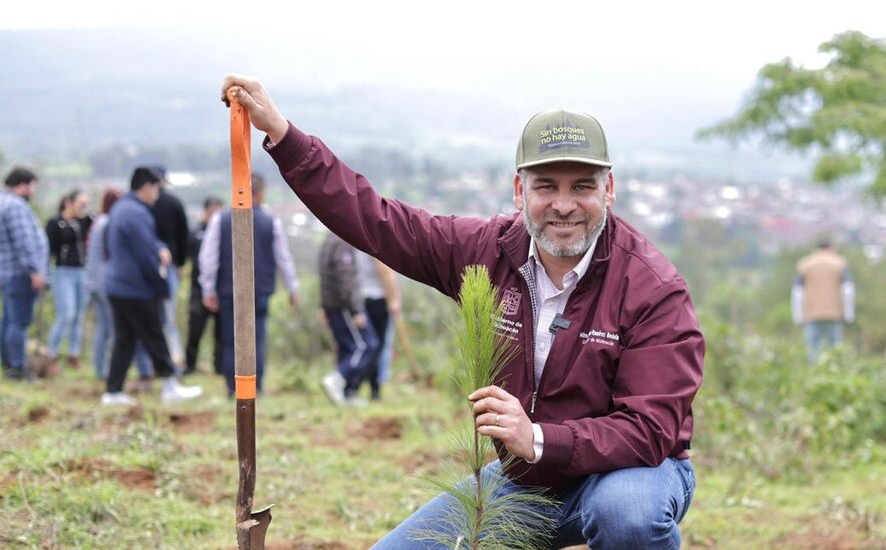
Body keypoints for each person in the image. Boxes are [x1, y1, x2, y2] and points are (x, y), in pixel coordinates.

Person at [222, 75, 702, 549]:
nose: (563, 205)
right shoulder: (487, 252)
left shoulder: (651, 288)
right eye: (545, 186)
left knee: (628, 514)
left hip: (631, 472)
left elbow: (649, 429)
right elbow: (379, 221)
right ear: (520, 191)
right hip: (530, 484)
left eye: (581, 186)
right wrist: (284, 137)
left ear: (608, 189)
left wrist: (537, 438)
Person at [100, 167, 203, 406]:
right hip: (136, 288)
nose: (158, 194)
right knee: (154, 335)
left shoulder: (122, 208)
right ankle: (170, 386)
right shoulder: (136, 213)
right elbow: (146, 256)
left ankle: (113, 391)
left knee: (125, 339)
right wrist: (161, 286)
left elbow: (146, 245)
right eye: (157, 188)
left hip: (118, 285)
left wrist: (159, 248)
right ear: (146, 187)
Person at [199, 173, 299, 397]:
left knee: (230, 340)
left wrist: (208, 289)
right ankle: (256, 387)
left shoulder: (220, 220)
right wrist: (292, 287)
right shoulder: (271, 222)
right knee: (257, 339)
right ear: (261, 193)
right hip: (259, 290)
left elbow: (208, 257)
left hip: (228, 290)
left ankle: (232, 388)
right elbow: (283, 258)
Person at [84, 188, 155, 382]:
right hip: (107, 283)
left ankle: (101, 369)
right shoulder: (109, 223)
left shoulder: (98, 222)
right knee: (122, 331)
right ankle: (130, 372)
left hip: (93, 281)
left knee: (103, 329)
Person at [0, 166, 48, 381]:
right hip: (19, 272)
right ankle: (18, 367)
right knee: (19, 322)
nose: (33, 191)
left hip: (4, 270)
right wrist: (34, 270)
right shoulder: (15, 206)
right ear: (23, 185)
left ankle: (8, 364)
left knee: (8, 320)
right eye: (32, 186)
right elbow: (23, 242)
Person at [318, 232, 379, 407]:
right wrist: (356, 310)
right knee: (366, 345)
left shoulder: (330, 239)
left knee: (347, 348)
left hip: (334, 305)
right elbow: (345, 278)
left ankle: (347, 394)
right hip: (344, 306)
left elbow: (325, 275)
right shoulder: (341, 241)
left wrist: (323, 305)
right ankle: (338, 378)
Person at [44, 189, 93, 371]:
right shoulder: (55, 223)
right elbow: (48, 251)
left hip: (82, 271)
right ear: (68, 203)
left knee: (79, 316)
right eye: (80, 204)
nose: (83, 208)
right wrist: (46, 275)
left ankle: (74, 353)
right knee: (66, 314)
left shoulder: (84, 222)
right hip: (63, 272)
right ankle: (52, 354)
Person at [149, 166, 190, 367]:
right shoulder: (174, 203)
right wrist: (180, 262)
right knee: (168, 318)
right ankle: (174, 362)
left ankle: (152, 364)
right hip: (170, 266)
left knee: (149, 317)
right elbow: (184, 235)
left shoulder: (142, 204)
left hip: (146, 268)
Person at [347, 252, 401, 401]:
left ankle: (369, 389)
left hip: (362, 299)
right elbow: (386, 271)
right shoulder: (377, 245)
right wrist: (394, 300)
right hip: (377, 299)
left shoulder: (358, 245)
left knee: (369, 346)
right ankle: (361, 387)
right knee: (375, 346)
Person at [791, 240, 855, 363]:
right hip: (834, 314)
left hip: (811, 314)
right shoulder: (840, 264)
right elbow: (847, 290)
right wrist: (848, 315)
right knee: (835, 350)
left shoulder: (805, 265)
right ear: (832, 248)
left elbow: (797, 293)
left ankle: (814, 373)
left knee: (812, 350)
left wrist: (798, 316)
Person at [183, 196, 225, 376]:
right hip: (198, 289)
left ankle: (220, 367)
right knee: (195, 330)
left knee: (221, 333)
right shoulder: (196, 232)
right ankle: (190, 366)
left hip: (221, 289)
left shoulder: (225, 232)